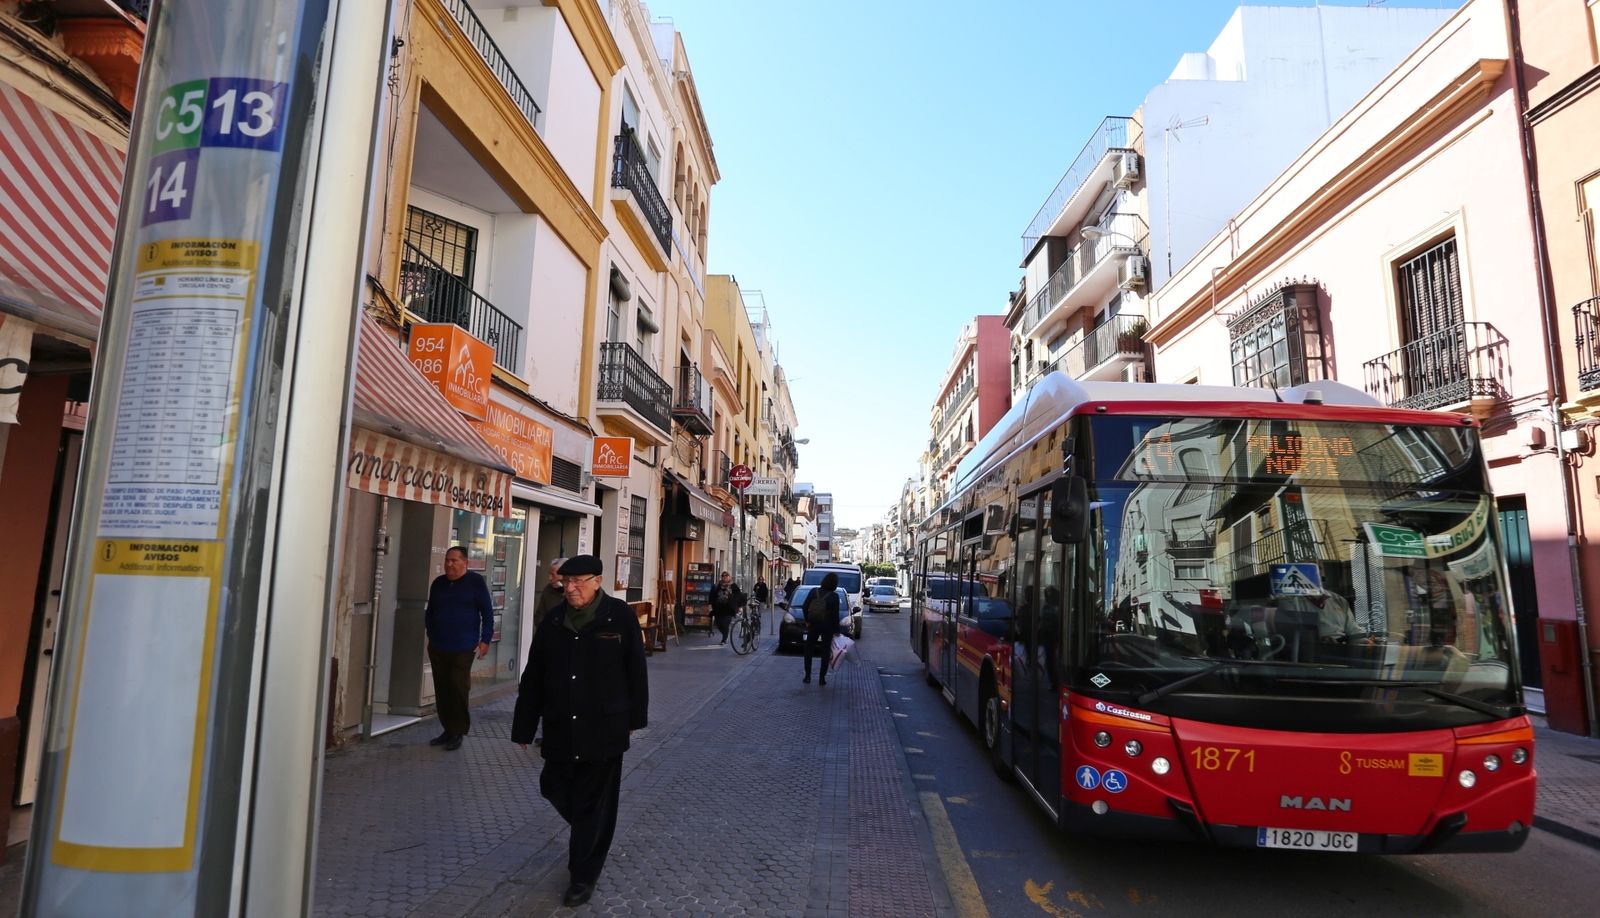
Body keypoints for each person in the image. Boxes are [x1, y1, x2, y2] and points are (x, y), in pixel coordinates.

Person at [511, 555, 649, 909]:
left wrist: (636, 718)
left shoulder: (619, 616)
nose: (569, 588)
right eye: (565, 582)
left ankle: (582, 876)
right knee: (552, 785)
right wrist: (524, 725)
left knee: (590, 804)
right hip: (560, 726)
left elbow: (636, 669)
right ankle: (592, 830)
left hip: (603, 728)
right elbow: (534, 677)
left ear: (597, 581)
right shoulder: (555, 620)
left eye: (577, 582)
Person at [424, 546, 493, 751]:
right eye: (447, 560)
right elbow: (431, 611)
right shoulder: (439, 584)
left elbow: (487, 613)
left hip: (464, 645)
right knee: (442, 688)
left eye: (454, 560)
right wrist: (431, 633)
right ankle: (447, 729)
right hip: (438, 645)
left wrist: (485, 640)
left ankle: (459, 730)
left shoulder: (475, 583)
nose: (449, 564)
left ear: (465, 563)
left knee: (458, 686)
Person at [801, 572, 841, 686]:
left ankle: (807, 676)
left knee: (809, 650)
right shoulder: (834, 596)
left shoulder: (814, 591)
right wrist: (837, 631)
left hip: (813, 624)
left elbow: (805, 606)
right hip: (827, 627)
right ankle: (822, 678)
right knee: (825, 652)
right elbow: (835, 615)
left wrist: (807, 621)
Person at [709, 571, 746, 644]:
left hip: (729, 609)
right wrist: (710, 606)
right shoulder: (716, 585)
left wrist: (739, 606)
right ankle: (725, 634)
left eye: (726, 576)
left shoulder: (733, 586)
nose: (724, 577)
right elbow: (711, 596)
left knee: (725, 624)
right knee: (718, 624)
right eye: (723, 576)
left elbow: (739, 596)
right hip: (718, 608)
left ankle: (724, 639)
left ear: (729, 577)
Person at [533, 557, 567, 625]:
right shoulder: (548, 590)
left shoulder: (574, 590)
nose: (550, 578)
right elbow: (539, 616)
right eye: (549, 574)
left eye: (553, 575)